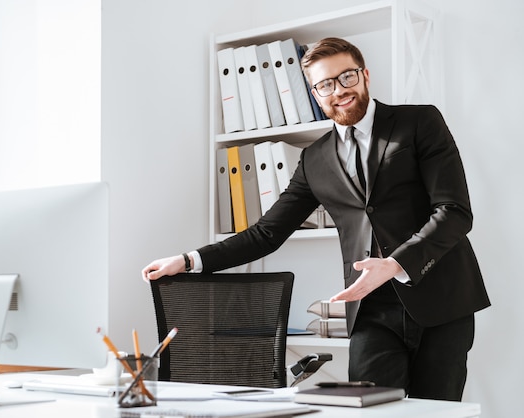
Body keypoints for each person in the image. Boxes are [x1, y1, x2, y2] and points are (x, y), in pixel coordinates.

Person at [142, 37, 490, 401]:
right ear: (314, 92)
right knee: (367, 412)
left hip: (442, 300)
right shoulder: (314, 160)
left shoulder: (419, 122)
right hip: (370, 311)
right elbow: (266, 233)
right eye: (325, 85)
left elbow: (454, 212)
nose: (338, 91)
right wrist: (188, 260)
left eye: (347, 78)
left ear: (365, 75)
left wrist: (394, 264)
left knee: (436, 412)